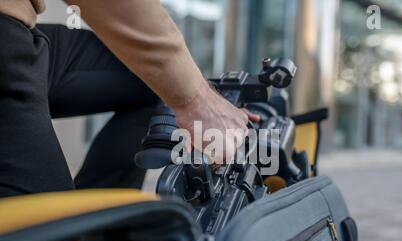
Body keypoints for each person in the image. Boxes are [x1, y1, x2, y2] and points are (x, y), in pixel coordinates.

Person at [0, 0, 258, 198]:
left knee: (154, 81)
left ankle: (93, 240)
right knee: (44, 232)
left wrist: (195, 93)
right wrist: (198, 101)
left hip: (20, 29)